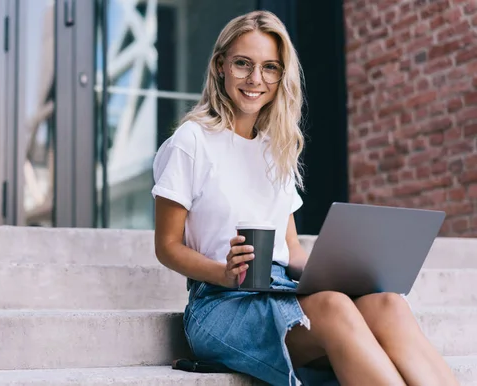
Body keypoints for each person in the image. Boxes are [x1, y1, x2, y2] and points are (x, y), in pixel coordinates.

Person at [151, 9, 459, 386]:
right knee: (332, 308)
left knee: (387, 303)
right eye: (242, 64)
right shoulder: (191, 142)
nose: (255, 79)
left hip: (279, 288)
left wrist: (347, 268)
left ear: (281, 76)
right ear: (220, 67)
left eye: (269, 68)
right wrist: (224, 273)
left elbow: (291, 249)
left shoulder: (274, 149)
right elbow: (166, 246)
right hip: (220, 302)